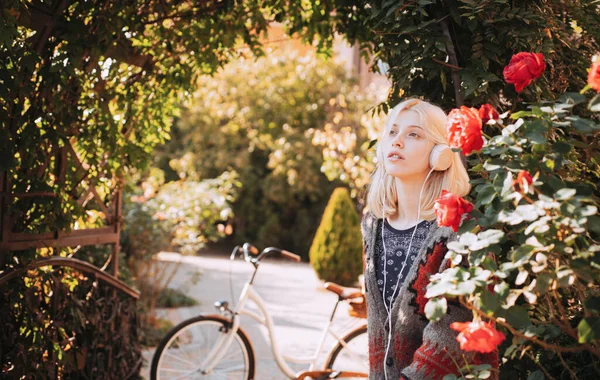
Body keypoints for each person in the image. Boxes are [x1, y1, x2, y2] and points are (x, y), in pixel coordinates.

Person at [361, 99, 498, 380]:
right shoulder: (372, 225)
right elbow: (377, 325)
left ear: (440, 154)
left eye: (413, 134)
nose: (397, 142)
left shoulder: (463, 232)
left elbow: (450, 340)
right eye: (392, 132)